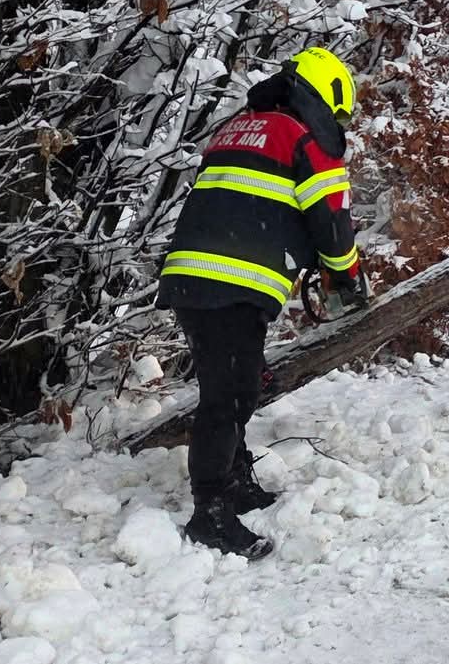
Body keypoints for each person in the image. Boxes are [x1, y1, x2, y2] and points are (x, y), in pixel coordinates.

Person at [157, 47, 370, 558]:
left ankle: (235, 482)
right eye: (338, 114)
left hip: (191, 275)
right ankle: (210, 513)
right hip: (233, 281)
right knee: (226, 398)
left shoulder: (240, 127)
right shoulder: (305, 138)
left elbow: (249, 203)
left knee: (238, 385)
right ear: (326, 96)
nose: (337, 125)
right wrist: (347, 279)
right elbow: (330, 221)